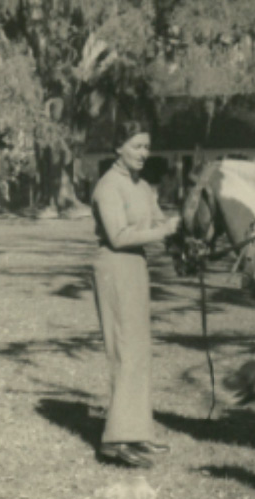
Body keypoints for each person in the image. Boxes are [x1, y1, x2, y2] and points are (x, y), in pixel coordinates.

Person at [91, 118, 181, 468]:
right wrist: (161, 232)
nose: (144, 153)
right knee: (124, 350)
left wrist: (180, 230)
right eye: (136, 146)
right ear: (118, 148)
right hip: (114, 267)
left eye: (146, 146)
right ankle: (115, 441)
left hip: (137, 267)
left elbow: (160, 224)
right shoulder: (107, 186)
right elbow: (117, 236)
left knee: (140, 350)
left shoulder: (143, 187)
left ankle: (138, 432)